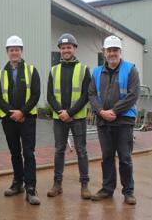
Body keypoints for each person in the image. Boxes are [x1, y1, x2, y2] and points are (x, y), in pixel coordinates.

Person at [89, 35, 140, 205]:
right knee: (107, 157)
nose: (112, 53)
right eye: (109, 50)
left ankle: (128, 192)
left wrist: (114, 111)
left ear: (120, 51)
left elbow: (133, 95)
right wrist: (101, 111)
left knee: (125, 157)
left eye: (115, 50)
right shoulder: (96, 72)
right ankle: (107, 189)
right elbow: (92, 94)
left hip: (124, 121)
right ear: (104, 52)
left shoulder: (130, 69)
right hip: (104, 121)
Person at [0, 35, 41, 205]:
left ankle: (31, 188)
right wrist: (12, 113)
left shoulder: (31, 70)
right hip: (9, 120)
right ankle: (17, 183)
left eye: (17, 49)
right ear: (7, 52)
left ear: (21, 51)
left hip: (27, 119)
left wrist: (22, 112)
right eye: (11, 50)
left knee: (28, 153)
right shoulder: (0, 73)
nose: (14, 52)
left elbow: (36, 94)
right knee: (15, 153)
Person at [47, 33, 92, 199]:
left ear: (75, 49)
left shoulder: (83, 69)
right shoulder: (53, 70)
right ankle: (57, 184)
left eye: (69, 47)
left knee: (81, 151)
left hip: (77, 118)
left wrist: (70, 113)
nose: (66, 50)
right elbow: (50, 96)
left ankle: (84, 185)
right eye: (63, 47)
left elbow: (86, 95)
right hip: (60, 119)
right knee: (59, 150)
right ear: (59, 50)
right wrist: (61, 112)